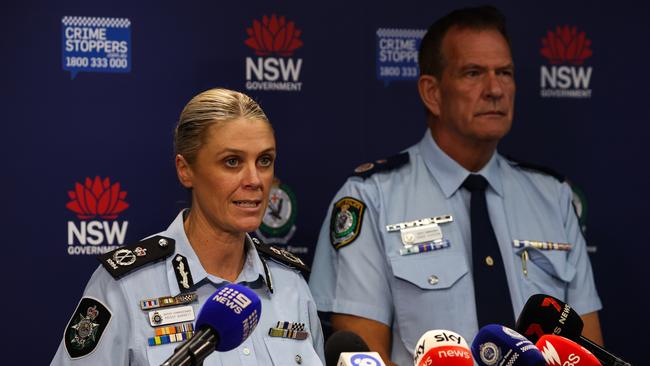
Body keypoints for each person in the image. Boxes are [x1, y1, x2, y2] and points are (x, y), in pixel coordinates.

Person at [308, 6, 603, 366]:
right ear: (432, 92)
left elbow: (586, 352)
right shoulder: (371, 198)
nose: (495, 89)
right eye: (473, 73)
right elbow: (362, 355)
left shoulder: (553, 197)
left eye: (505, 73)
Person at [51, 88, 325, 365]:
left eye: (264, 160)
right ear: (185, 170)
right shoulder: (125, 286)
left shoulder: (291, 285)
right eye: (232, 162)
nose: (254, 179)